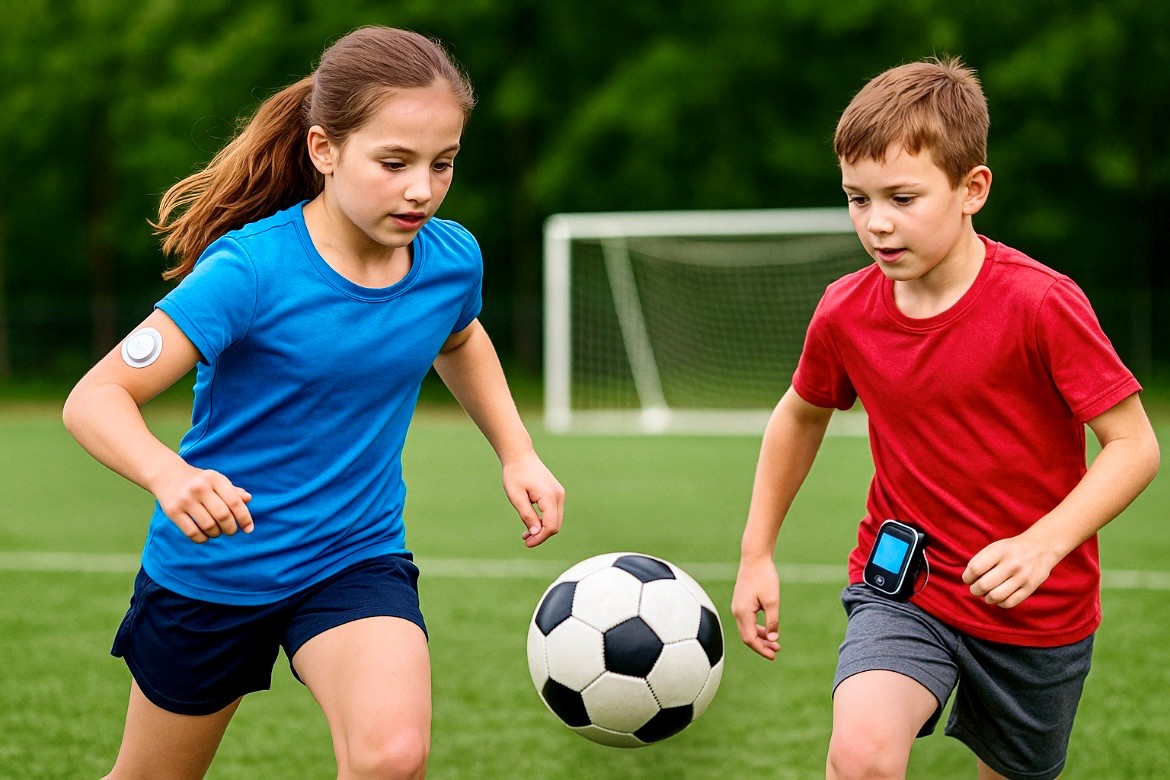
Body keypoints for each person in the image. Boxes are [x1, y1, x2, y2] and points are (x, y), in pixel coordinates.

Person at [62, 25, 564, 780]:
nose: (421, 189)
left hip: (353, 555)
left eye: (443, 164)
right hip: (213, 571)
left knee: (392, 758)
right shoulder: (251, 270)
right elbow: (95, 397)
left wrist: (517, 450)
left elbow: (458, 339)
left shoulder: (449, 259)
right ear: (325, 150)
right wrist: (171, 478)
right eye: (394, 162)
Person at [731, 57, 1159, 780]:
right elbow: (799, 416)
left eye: (901, 197)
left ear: (972, 189)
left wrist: (1043, 544)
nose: (877, 223)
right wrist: (755, 553)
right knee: (861, 756)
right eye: (857, 199)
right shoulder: (845, 310)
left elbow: (1134, 446)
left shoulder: (1041, 305)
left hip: (1037, 608)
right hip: (904, 587)